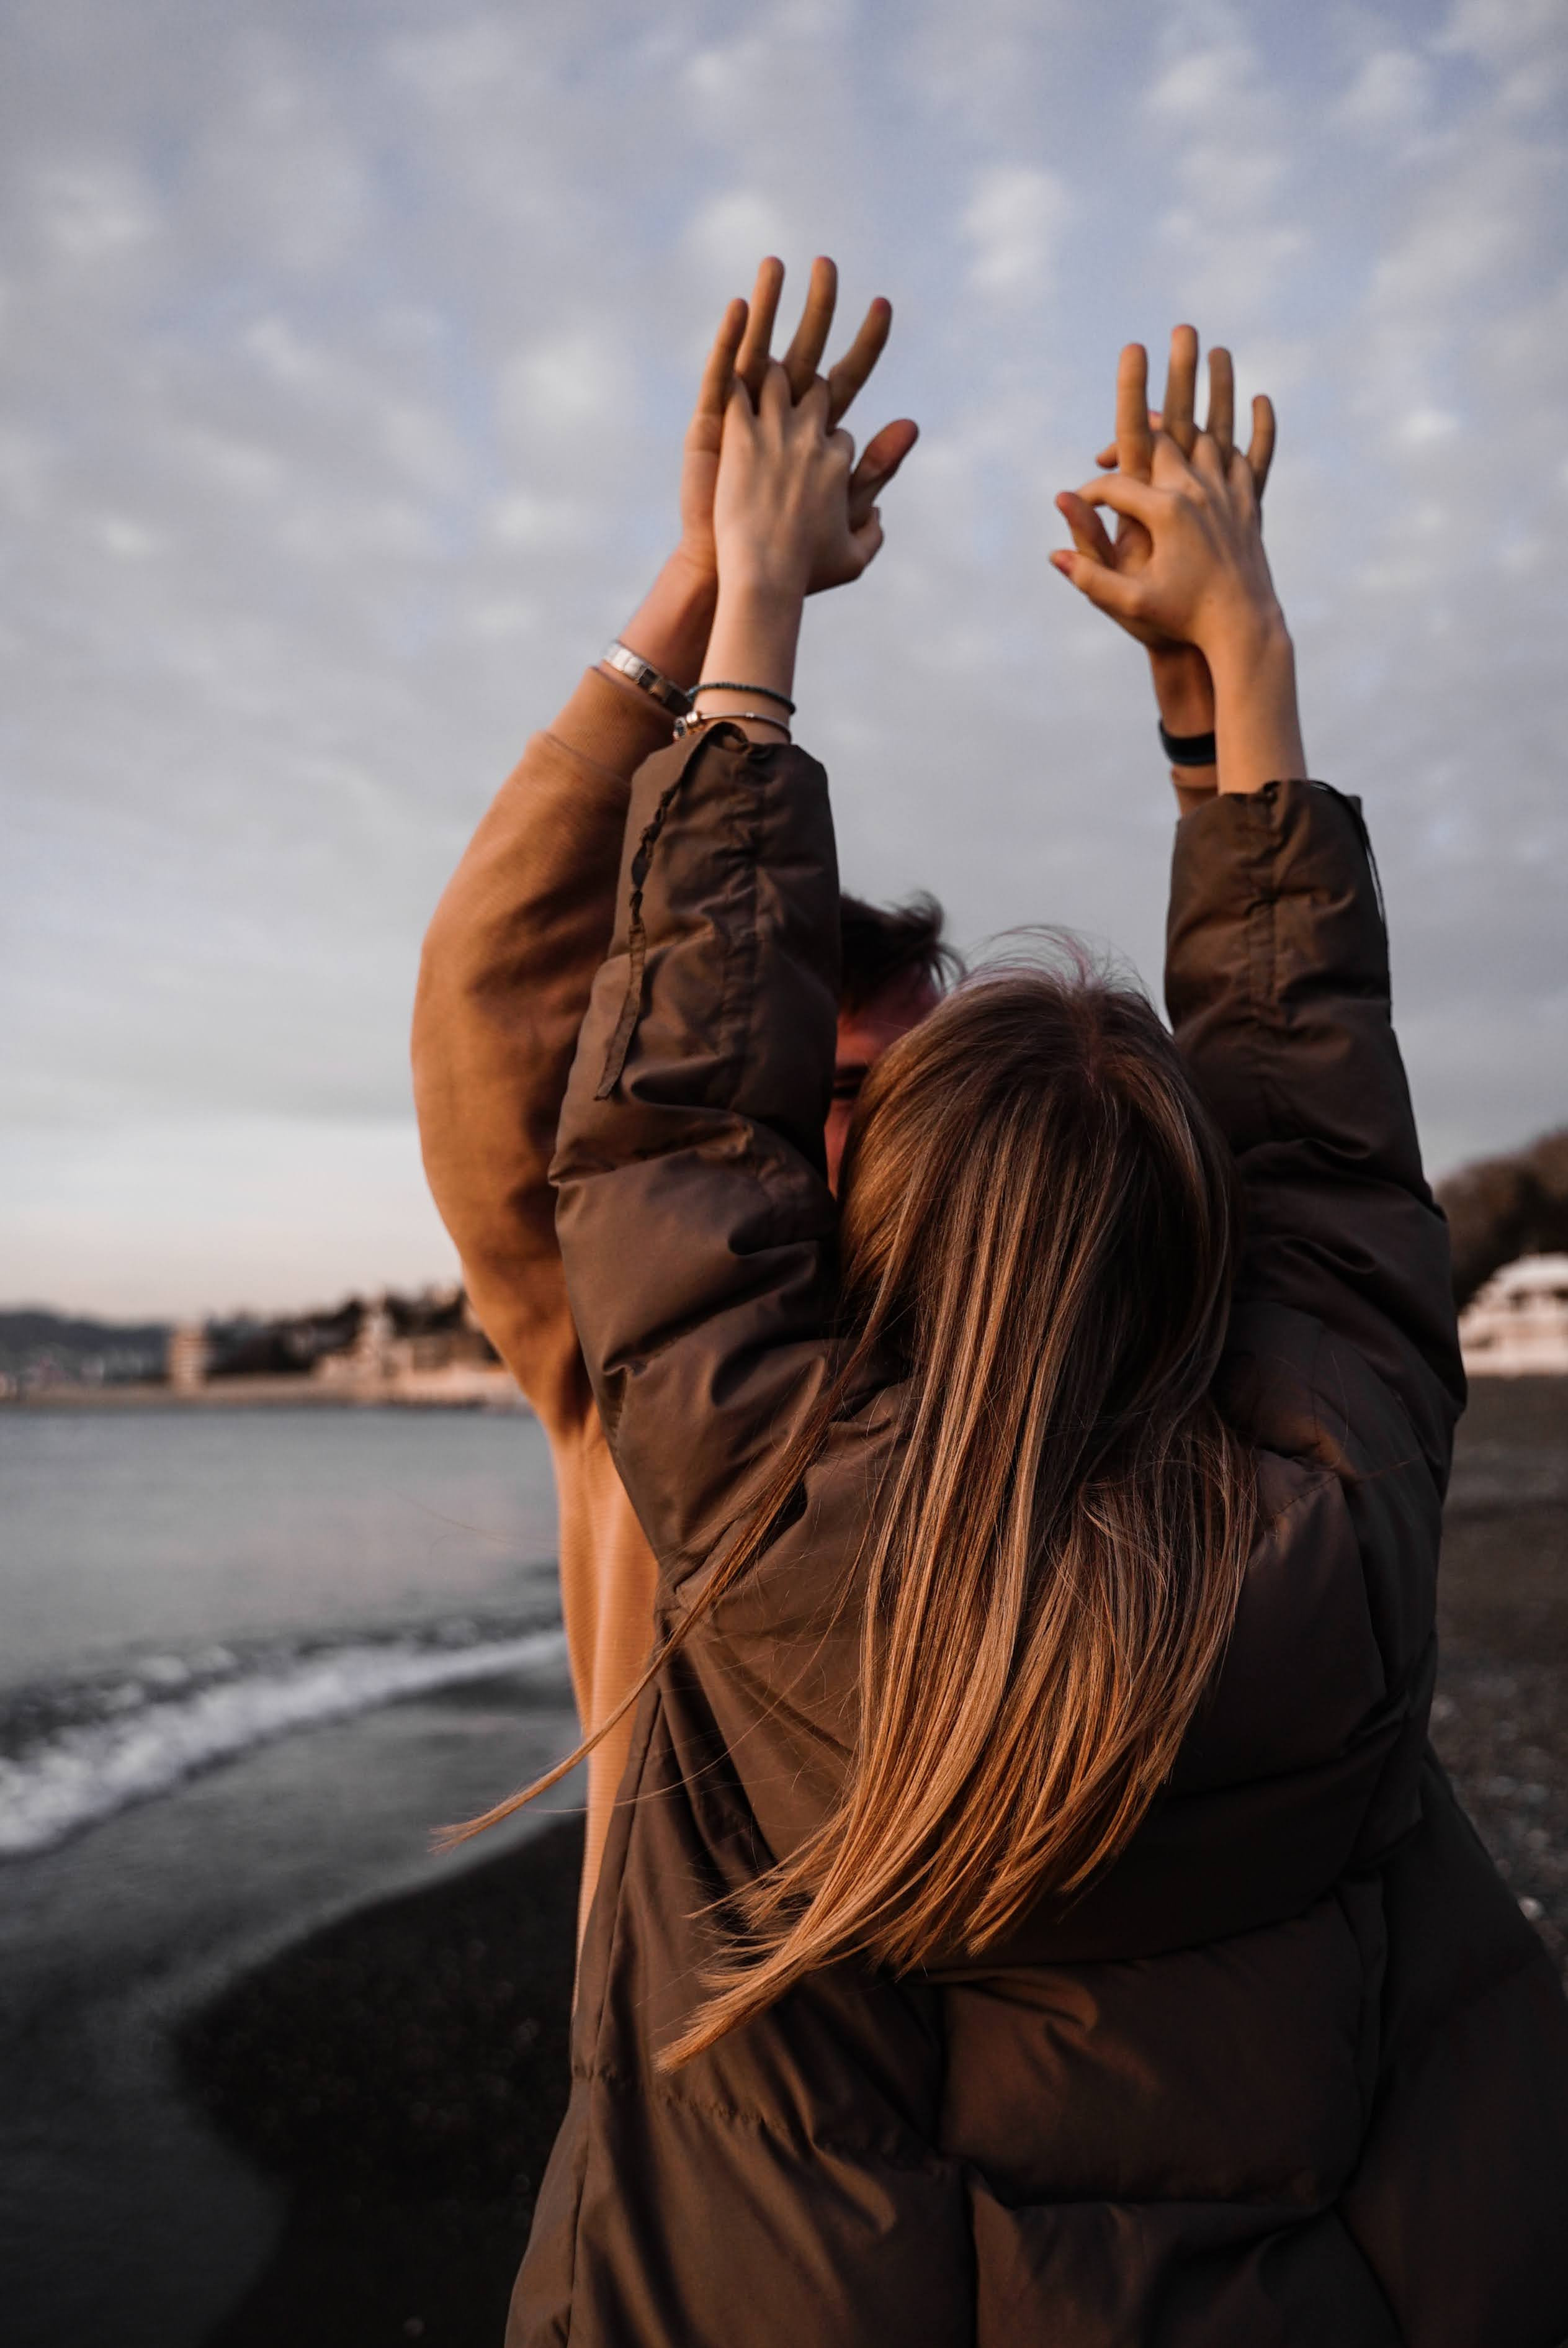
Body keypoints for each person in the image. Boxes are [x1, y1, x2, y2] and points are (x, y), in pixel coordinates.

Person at [503, 303, 1568, 2344]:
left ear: (866, 1232)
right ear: (1205, 1261)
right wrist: (1231, 670)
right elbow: (1330, 1178)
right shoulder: (1334, 1538)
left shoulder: (778, 1515)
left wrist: (751, 603)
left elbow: (659, 1125)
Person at [412, 262, 947, 1934]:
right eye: (857, 1090)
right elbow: (496, 985)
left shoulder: (1037, 1362)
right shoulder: (640, 1374)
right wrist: (709, 594)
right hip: (702, 2145)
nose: (909, 1132)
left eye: (932, 1084)